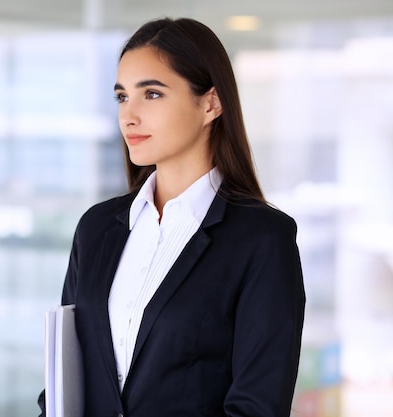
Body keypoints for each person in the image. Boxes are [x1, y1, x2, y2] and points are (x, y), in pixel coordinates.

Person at [38, 17, 305, 417]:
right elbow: (64, 383)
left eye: (152, 94)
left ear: (211, 103)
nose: (129, 116)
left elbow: (256, 407)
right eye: (122, 97)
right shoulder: (96, 229)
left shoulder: (263, 239)